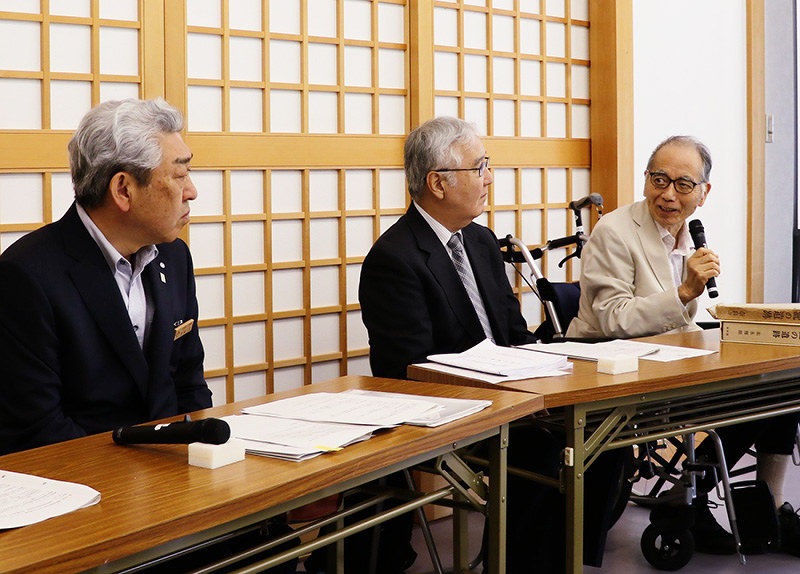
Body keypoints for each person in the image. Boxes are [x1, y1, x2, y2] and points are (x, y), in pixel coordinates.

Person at [354, 116, 629, 573]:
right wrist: (509, 394)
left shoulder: (480, 241)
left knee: (606, 438)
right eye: (479, 167)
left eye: (487, 165)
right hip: (453, 410)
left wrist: (547, 377)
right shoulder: (395, 258)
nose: (489, 177)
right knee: (545, 456)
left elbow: (514, 335)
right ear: (438, 183)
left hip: (516, 395)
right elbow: (408, 368)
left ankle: (568, 559)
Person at [568, 134, 800, 555]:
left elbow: (689, 318)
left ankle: (771, 507)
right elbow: (612, 318)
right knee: (742, 400)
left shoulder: (692, 233)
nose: (668, 194)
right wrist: (684, 291)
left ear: (703, 193)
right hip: (606, 365)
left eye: (683, 184)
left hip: (671, 360)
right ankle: (684, 499)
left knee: (779, 385)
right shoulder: (615, 231)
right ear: (645, 180)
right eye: (659, 179)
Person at [0, 98, 212, 455]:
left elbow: (189, 382)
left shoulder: (174, 256)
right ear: (123, 190)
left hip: (173, 469)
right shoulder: (26, 275)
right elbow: (37, 428)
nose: (191, 191)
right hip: (82, 483)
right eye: (179, 175)